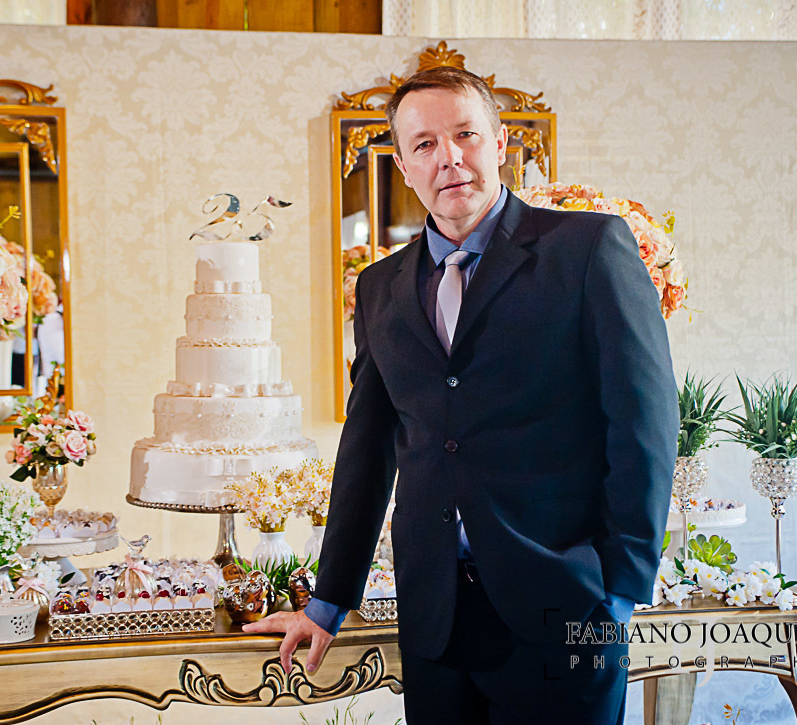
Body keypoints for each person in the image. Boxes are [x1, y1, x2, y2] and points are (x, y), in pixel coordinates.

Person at [244, 66, 678, 724]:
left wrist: (619, 590)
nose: (448, 157)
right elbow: (367, 448)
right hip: (436, 619)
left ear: (500, 143)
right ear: (403, 166)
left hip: (568, 604)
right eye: (424, 144)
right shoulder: (379, 287)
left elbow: (644, 421)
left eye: (465, 134)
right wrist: (328, 600)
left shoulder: (587, 248)